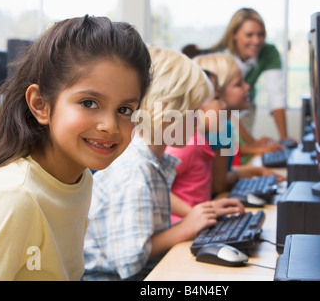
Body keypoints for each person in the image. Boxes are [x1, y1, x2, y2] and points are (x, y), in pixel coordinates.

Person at [0, 15, 152, 280]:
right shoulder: (16, 197)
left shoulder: (80, 179)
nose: (110, 125)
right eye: (89, 103)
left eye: (125, 109)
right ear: (41, 105)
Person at [82, 48, 244, 281]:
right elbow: (130, 260)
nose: (198, 120)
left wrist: (204, 214)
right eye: (194, 111)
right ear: (167, 111)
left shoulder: (153, 161)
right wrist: (186, 227)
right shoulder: (133, 173)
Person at [194, 52, 285, 194]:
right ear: (217, 91)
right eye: (238, 84)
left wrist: (257, 170)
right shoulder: (220, 129)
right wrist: (254, 171)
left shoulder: (222, 125)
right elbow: (219, 184)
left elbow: (222, 174)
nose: (247, 87)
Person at [165, 70, 244, 224]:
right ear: (195, 106)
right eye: (216, 99)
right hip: (181, 226)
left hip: (195, 223)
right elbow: (158, 188)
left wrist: (209, 209)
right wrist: (193, 213)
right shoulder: (186, 144)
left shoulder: (200, 141)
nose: (224, 105)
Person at [211, 7, 295, 146]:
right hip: (221, 112)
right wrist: (253, 144)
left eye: (261, 34)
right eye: (249, 35)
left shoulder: (268, 52)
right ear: (234, 34)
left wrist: (284, 138)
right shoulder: (217, 57)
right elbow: (222, 107)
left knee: (238, 150)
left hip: (244, 107)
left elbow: (276, 95)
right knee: (228, 147)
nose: (256, 41)